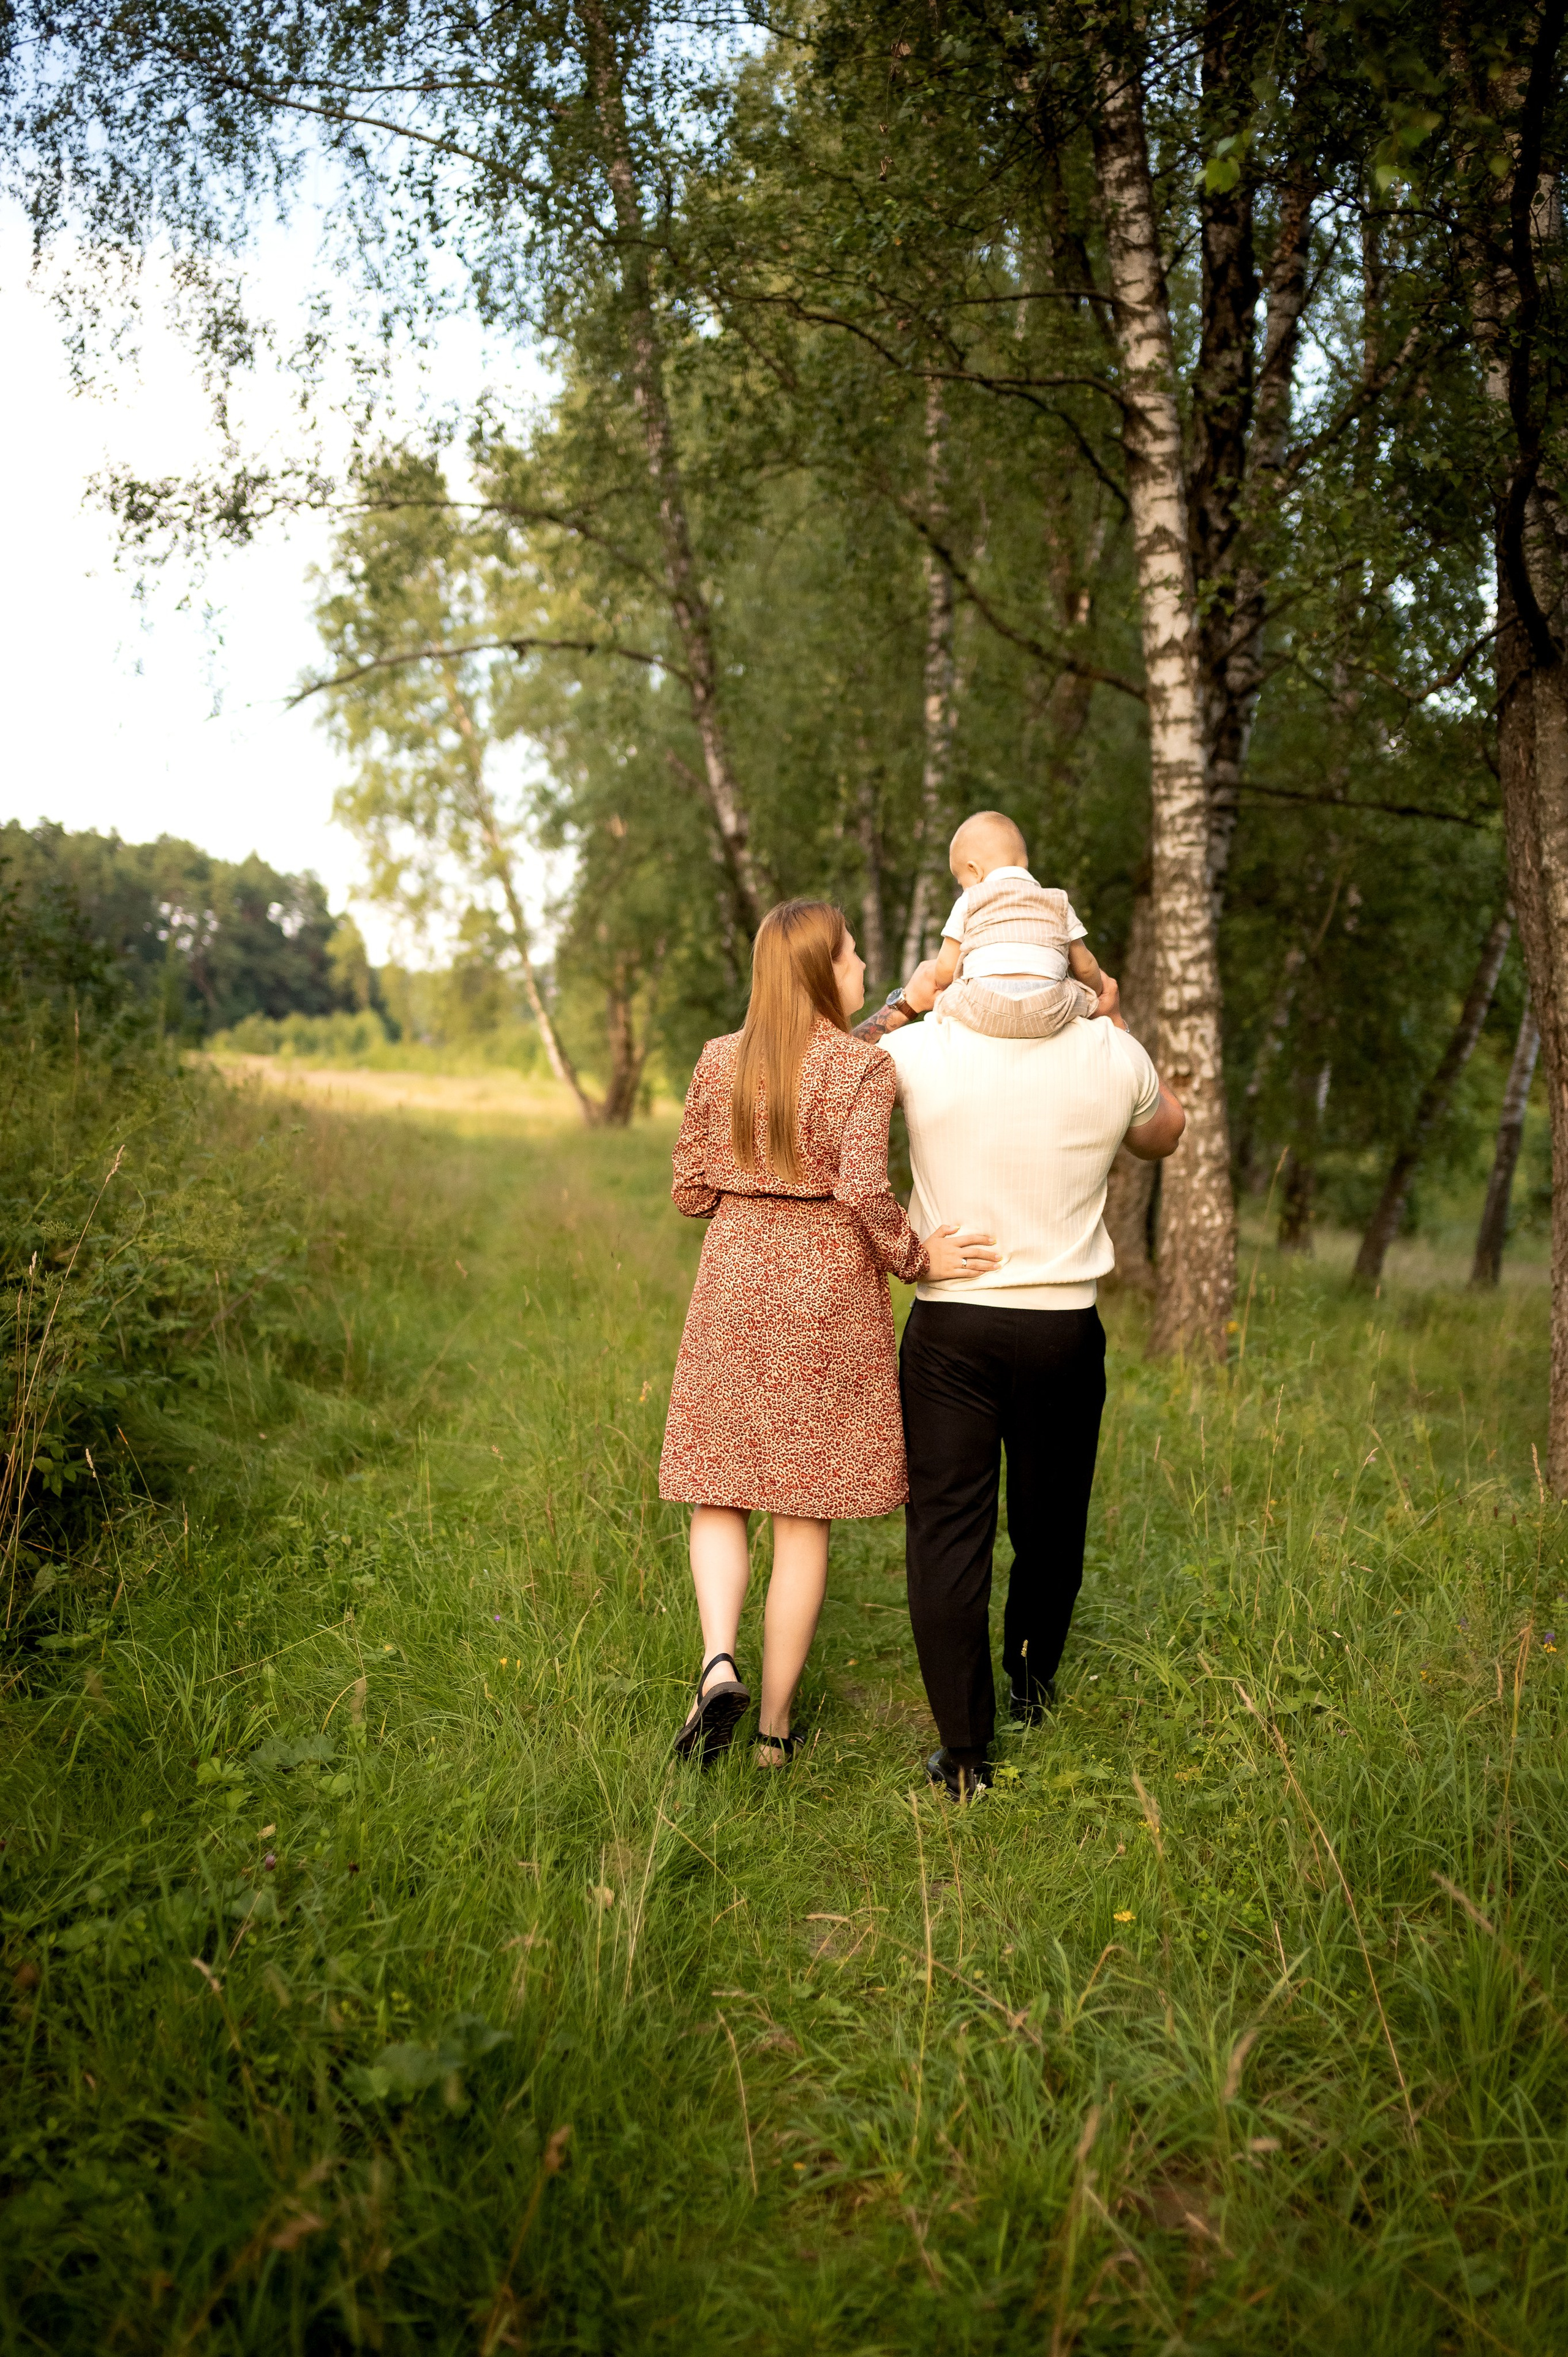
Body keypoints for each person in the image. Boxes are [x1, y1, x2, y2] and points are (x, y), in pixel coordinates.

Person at [659, 899, 998, 1770]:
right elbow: (861, 1187)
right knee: (803, 1515)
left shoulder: (718, 1062)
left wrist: (751, 1176)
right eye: (850, 958)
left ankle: (716, 1666)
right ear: (818, 971)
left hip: (733, 1278)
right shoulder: (860, 1071)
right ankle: (774, 1736)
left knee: (719, 1487)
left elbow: (691, 1192)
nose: (858, 969)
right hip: (824, 1291)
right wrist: (920, 1259)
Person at [857, 957, 1186, 1801]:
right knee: (1049, 1526)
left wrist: (903, 1004)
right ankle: (1031, 1692)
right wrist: (1113, 1022)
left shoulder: (922, 1048)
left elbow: (815, 1086)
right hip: (1062, 1331)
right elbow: (1166, 1133)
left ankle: (966, 1757)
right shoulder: (1110, 1054)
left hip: (952, 1325)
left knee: (946, 1534)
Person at [903, 809, 1105, 1043]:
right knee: (1080, 994)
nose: (963, 889)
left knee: (948, 997)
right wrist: (1096, 992)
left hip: (984, 1006)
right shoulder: (1058, 901)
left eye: (961, 882)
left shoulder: (969, 901)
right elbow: (1087, 968)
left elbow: (946, 969)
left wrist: (942, 984)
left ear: (975, 871)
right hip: (1049, 1009)